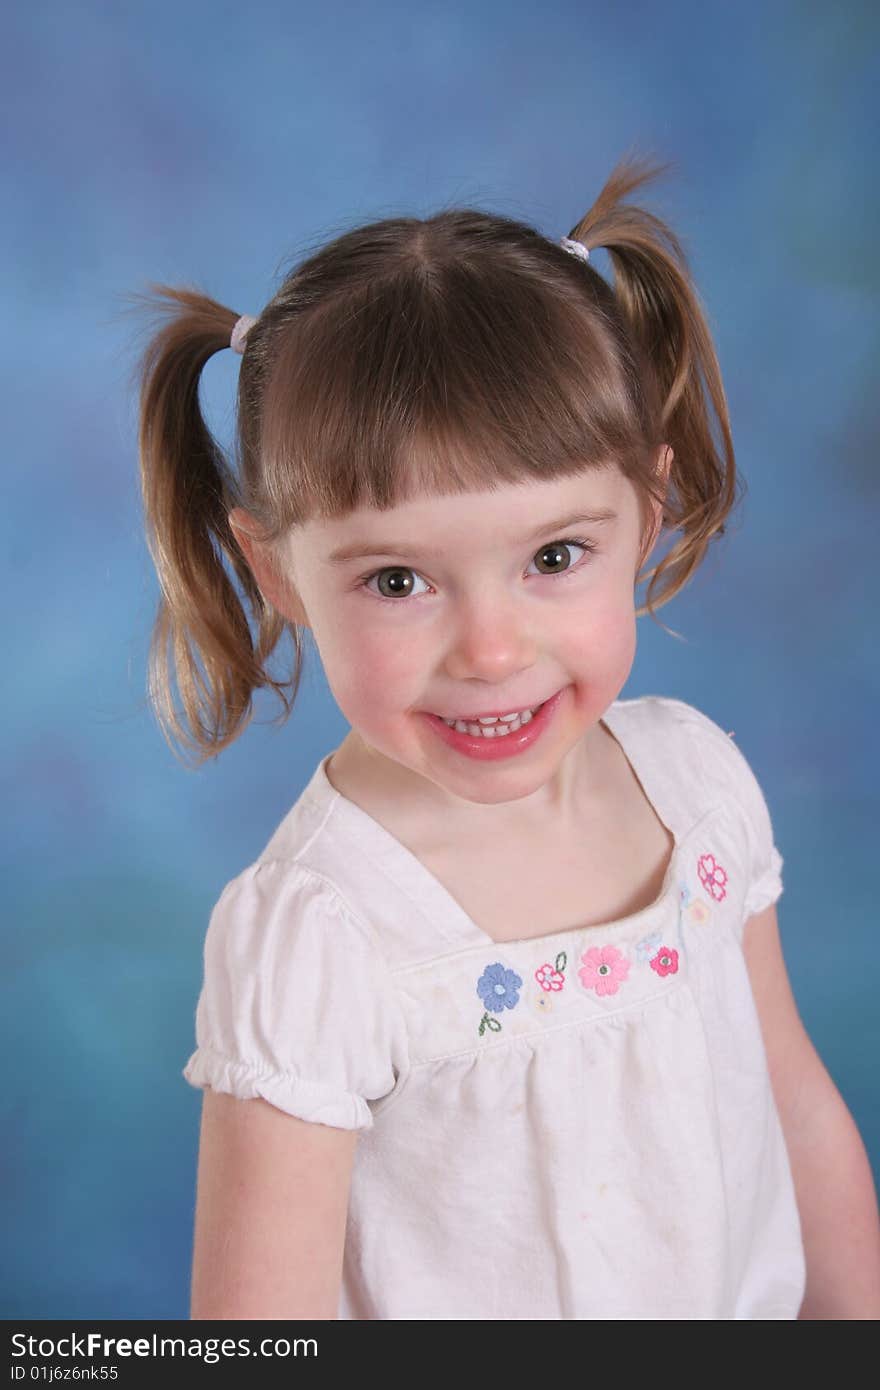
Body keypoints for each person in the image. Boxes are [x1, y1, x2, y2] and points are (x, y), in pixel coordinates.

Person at [133, 154, 880, 1320]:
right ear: (276, 571)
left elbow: (797, 1107)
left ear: (647, 506)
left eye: (551, 557)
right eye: (396, 578)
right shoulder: (322, 930)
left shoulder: (695, 784)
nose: (489, 650)